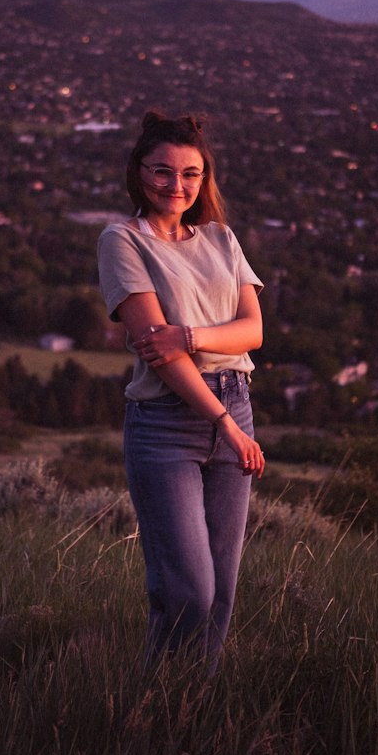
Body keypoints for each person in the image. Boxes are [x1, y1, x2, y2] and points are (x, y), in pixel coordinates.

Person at [97, 110, 265, 667]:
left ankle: (194, 713)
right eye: (162, 172)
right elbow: (159, 353)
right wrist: (222, 423)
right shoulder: (121, 240)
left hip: (234, 401)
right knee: (187, 594)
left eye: (191, 174)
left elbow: (254, 331)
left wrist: (188, 334)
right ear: (137, 172)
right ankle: (155, 708)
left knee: (221, 595)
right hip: (169, 420)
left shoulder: (221, 237)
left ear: (204, 177)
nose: (177, 186)